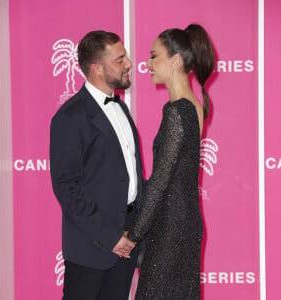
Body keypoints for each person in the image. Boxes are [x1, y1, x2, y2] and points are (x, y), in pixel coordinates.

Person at [50, 30, 143, 300]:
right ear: (96, 68)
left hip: (127, 242)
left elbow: (130, 178)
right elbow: (66, 187)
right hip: (91, 247)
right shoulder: (70, 117)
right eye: (119, 59)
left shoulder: (122, 110)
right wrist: (111, 236)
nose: (128, 64)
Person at [127, 24, 215, 299]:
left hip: (170, 229)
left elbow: (161, 181)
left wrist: (134, 235)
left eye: (154, 56)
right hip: (184, 223)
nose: (148, 63)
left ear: (175, 61)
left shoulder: (177, 111)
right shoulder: (193, 105)